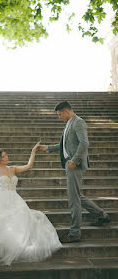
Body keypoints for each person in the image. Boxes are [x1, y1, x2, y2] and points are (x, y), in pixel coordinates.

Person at [38, 101, 110, 243]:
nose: (59, 117)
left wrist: (74, 161)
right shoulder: (69, 123)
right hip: (70, 164)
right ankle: (102, 216)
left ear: (66, 111)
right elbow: (65, 144)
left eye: (59, 114)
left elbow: (84, 143)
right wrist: (47, 147)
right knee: (77, 196)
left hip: (74, 165)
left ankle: (75, 232)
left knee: (73, 199)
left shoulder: (78, 122)